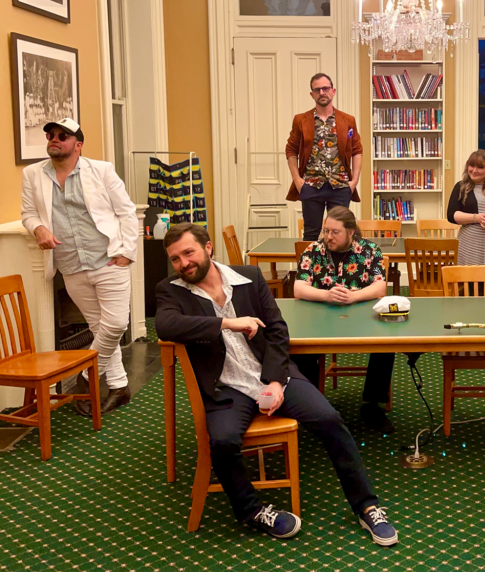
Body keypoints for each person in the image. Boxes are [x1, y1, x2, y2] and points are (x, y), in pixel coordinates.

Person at [154, 223, 398, 546]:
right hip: (227, 388)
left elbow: (279, 332)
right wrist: (227, 323)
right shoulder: (170, 290)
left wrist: (274, 381)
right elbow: (165, 324)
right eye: (175, 259)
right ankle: (252, 511)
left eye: (189, 253)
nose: (183, 264)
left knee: (330, 419)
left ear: (208, 248)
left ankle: (367, 505)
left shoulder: (250, 278)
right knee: (223, 443)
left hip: (272, 376)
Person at [20, 118, 137, 416]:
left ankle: (86, 376)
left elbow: (126, 212)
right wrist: (38, 229)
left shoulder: (101, 170)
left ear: (78, 144)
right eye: (50, 135)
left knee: (115, 325)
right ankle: (119, 386)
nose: (54, 139)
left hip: (108, 259)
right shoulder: (33, 174)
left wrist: (126, 252)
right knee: (99, 327)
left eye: (62, 135)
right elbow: (28, 213)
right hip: (69, 265)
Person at [291, 206, 397, 434]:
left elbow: (380, 286)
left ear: (350, 233)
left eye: (335, 232)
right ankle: (310, 404)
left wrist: (354, 296)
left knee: (386, 343)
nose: (328, 237)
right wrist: (326, 295)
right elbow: (298, 288)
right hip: (318, 319)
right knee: (297, 346)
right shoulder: (313, 250)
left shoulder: (370, 250)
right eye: (326, 231)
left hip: (361, 317)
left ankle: (373, 404)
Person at [285, 73, 363, 241]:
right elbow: (291, 150)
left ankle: (339, 268)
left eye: (325, 88)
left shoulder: (348, 120)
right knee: (311, 234)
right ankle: (309, 268)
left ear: (333, 91)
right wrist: (298, 180)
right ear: (312, 94)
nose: (322, 92)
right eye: (317, 89)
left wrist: (354, 181)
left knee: (341, 235)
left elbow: (357, 150)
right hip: (312, 185)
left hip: (341, 185)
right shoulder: (301, 120)